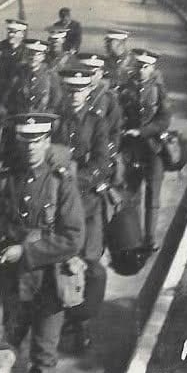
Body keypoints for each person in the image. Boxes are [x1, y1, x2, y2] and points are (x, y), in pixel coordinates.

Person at [0, 113, 84, 373]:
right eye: (25, 141)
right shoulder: (6, 180)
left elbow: (73, 238)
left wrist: (25, 251)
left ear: (47, 143)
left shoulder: (61, 183)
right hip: (12, 286)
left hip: (47, 287)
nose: (31, 148)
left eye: (38, 141)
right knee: (7, 356)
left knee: (43, 362)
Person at [52, 68, 122, 354]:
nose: (74, 96)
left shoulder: (97, 122)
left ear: (87, 92)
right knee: (59, 260)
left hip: (88, 203)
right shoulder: (54, 121)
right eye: (69, 91)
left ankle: (83, 323)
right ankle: (58, 319)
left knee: (90, 264)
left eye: (79, 91)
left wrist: (72, 178)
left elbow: (102, 165)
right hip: (56, 204)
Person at [118, 49, 171, 251]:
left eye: (146, 67)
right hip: (131, 150)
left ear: (153, 69)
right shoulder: (126, 89)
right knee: (130, 194)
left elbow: (165, 119)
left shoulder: (158, 89)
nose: (142, 71)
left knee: (152, 194)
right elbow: (119, 114)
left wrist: (142, 131)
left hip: (153, 148)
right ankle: (133, 239)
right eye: (139, 66)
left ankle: (150, 238)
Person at [4, 39, 62, 117]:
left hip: (42, 120)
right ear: (26, 55)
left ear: (43, 57)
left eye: (38, 54)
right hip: (21, 119)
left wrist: (46, 115)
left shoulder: (50, 75)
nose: (33, 57)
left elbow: (56, 100)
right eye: (30, 53)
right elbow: (9, 98)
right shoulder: (18, 72)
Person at [0, 19, 28, 110]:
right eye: (9, 31)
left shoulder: (27, 51)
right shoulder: (1, 49)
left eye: (14, 32)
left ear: (22, 34)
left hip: (19, 98)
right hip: (1, 97)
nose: (11, 35)